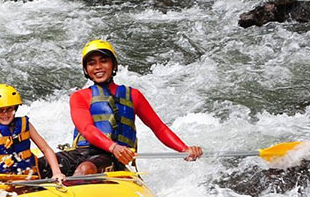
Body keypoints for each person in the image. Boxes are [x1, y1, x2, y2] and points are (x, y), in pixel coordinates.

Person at [49, 39, 202, 176]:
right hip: (81, 152)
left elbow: (159, 128)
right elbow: (87, 129)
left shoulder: (134, 95)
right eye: (91, 63)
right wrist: (113, 146)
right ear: (86, 70)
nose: (98, 67)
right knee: (34, 167)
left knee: (85, 169)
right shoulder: (79, 96)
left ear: (113, 65)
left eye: (103, 61)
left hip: (112, 158)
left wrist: (184, 149)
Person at [0, 84, 65, 180]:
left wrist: (57, 173)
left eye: (10, 109)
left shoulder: (25, 124)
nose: (5, 114)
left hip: (28, 178)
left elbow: (46, 149)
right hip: (3, 182)